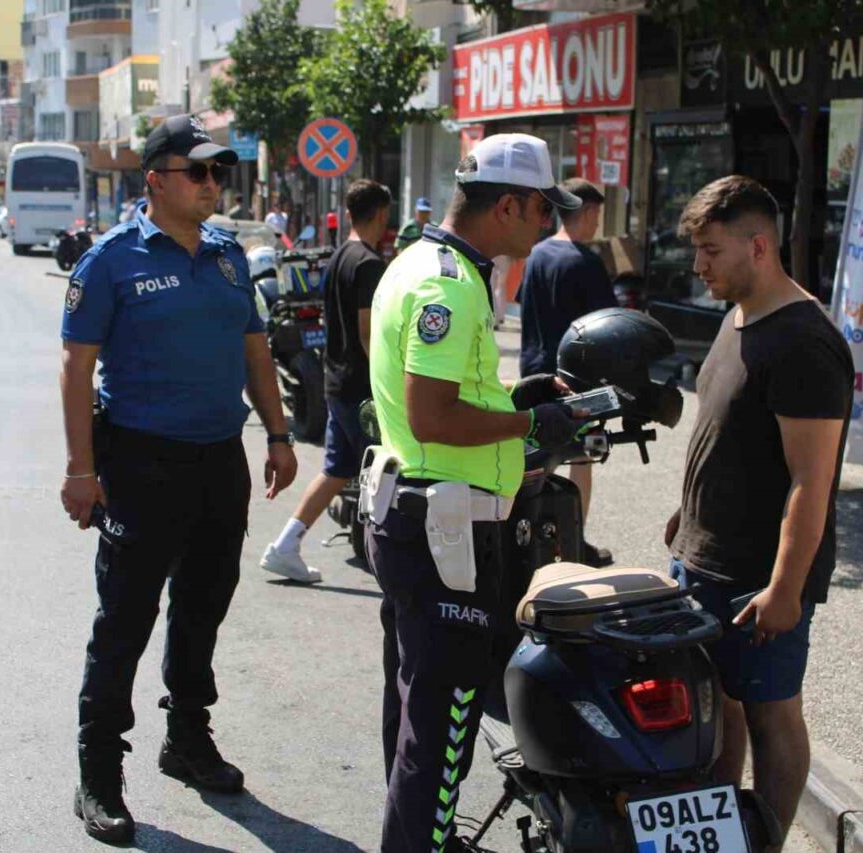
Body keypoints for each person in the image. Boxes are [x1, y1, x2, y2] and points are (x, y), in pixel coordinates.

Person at [59, 113, 298, 844]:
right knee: (126, 620)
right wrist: (80, 469)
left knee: (203, 608)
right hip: (139, 462)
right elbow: (76, 366)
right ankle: (99, 772)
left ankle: (186, 740)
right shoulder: (110, 260)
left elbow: (256, 351)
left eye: (218, 172)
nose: (211, 183)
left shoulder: (229, 257)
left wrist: (281, 434)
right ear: (155, 179)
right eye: (198, 172)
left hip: (217, 458)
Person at [367, 133, 586, 853]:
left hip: (418, 516)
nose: (547, 225)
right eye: (542, 210)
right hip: (445, 529)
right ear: (510, 205)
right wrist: (530, 419)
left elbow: (443, 397)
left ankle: (416, 838)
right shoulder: (449, 284)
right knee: (442, 725)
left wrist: (509, 396)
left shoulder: (421, 262)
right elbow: (433, 414)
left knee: (414, 711)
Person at [664, 175, 852, 848]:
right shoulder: (738, 312)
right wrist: (683, 516)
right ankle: (720, 834)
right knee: (719, 710)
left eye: (711, 250)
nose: (698, 265)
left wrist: (785, 588)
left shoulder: (803, 341)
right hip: (701, 556)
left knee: (773, 713)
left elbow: (811, 480)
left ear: (759, 245)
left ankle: (764, 841)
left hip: (755, 577)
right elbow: (724, 432)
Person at [260, 179, 393, 582]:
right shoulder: (368, 263)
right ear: (382, 215)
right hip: (362, 388)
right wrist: (388, 384)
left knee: (337, 469)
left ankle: (285, 545)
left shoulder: (338, 257)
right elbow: (368, 332)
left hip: (336, 380)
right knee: (386, 472)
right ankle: (390, 557)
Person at [516, 178, 617, 567]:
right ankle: (574, 543)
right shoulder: (586, 262)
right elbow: (608, 326)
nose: (596, 223)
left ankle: (530, 532)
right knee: (580, 459)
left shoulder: (537, 254)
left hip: (533, 372)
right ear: (588, 212)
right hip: (574, 380)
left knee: (536, 455)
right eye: (597, 215)